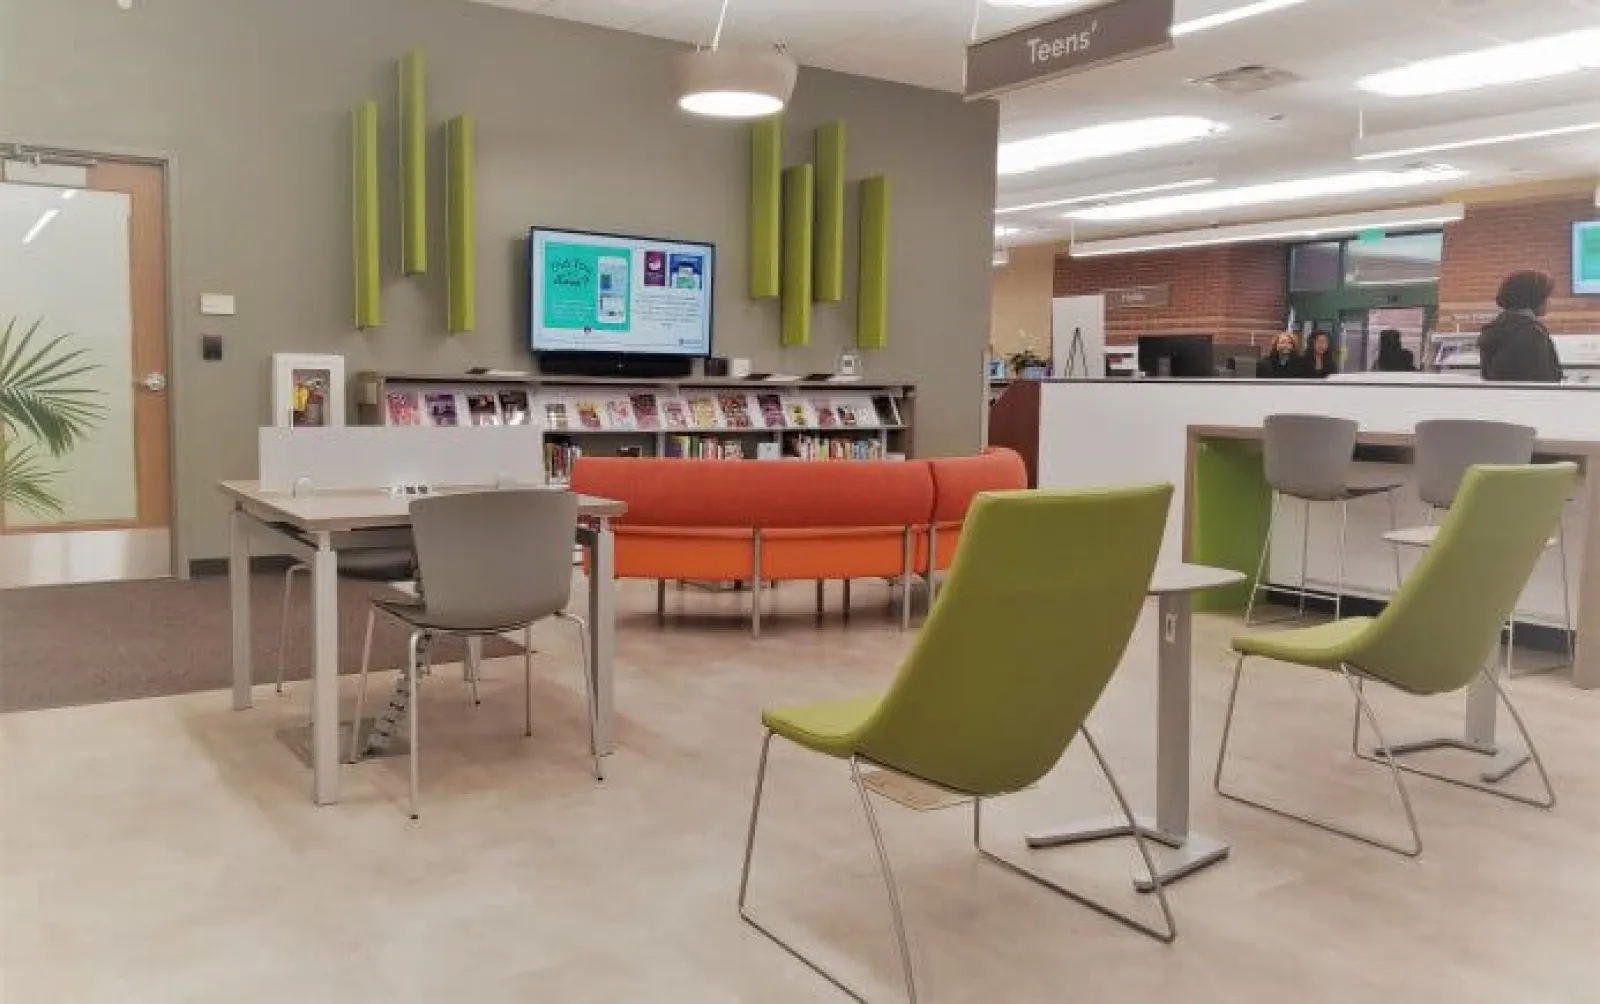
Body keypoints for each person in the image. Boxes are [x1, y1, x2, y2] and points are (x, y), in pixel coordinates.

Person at [1479, 270, 1563, 382]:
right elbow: (1542, 379)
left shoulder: (1495, 328)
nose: (1550, 303)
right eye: (1547, 297)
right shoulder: (1532, 333)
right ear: (1535, 298)